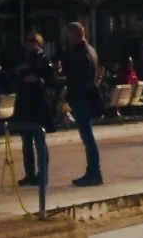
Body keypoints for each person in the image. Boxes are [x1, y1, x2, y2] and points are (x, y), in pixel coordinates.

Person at [60, 21, 104, 187]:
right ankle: (93, 171)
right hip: (85, 95)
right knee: (87, 136)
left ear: (73, 36)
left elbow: (80, 77)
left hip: (82, 97)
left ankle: (94, 172)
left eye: (68, 37)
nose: (66, 41)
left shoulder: (81, 53)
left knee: (87, 137)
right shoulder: (90, 50)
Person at [13, 30, 53, 186]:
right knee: (26, 141)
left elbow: (48, 77)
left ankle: (43, 174)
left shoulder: (43, 59)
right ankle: (29, 174)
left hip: (38, 103)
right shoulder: (21, 58)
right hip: (24, 102)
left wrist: (37, 78)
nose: (30, 44)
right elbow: (15, 74)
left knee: (40, 140)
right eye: (28, 41)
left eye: (33, 41)